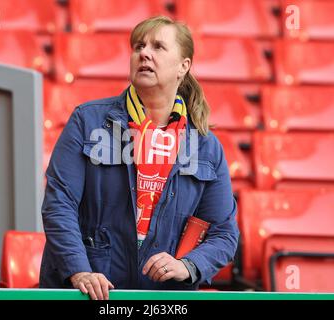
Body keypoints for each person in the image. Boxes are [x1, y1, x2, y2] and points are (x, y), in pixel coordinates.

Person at [39, 16, 239, 300]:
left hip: (163, 300)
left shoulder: (206, 146)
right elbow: (59, 204)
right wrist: (80, 272)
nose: (144, 53)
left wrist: (188, 266)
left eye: (158, 47)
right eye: (138, 47)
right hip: (88, 295)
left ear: (184, 66)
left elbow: (223, 233)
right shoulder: (88, 121)